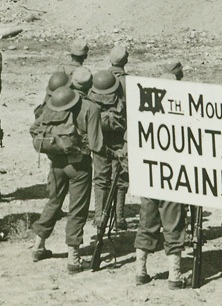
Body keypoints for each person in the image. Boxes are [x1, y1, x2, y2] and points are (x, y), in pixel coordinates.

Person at [30, 83, 104, 272]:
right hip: (79, 166)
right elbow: (97, 146)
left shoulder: (50, 106)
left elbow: (34, 130)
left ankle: (38, 246)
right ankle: (74, 259)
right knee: (77, 210)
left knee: (53, 202)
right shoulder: (88, 108)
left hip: (56, 165)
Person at [135, 64, 188, 287]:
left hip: (148, 175)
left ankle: (140, 270)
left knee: (147, 221)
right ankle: (174, 275)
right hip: (172, 177)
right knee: (173, 224)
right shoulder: (182, 116)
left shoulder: (143, 114)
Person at [88, 69, 129, 235]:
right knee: (121, 178)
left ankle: (99, 216)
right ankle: (119, 217)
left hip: (100, 141)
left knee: (100, 178)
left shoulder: (91, 99)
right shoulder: (121, 96)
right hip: (118, 141)